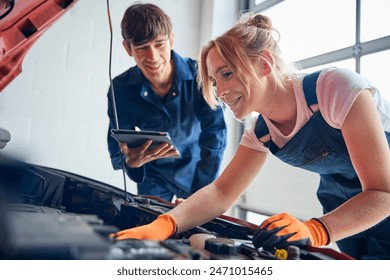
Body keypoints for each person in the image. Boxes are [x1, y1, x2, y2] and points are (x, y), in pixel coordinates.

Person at [110, 12, 390, 260]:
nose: (219, 92)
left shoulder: (333, 88)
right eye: (215, 81)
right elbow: (221, 192)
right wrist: (164, 224)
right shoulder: (261, 131)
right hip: (339, 197)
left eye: (227, 73)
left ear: (264, 64)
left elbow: (382, 191)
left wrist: (317, 229)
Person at [107, 3, 227, 202]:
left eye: (159, 44)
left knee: (195, 229)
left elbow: (216, 137)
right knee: (150, 226)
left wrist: (200, 195)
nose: (152, 57)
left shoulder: (201, 75)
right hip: (152, 177)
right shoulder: (120, 89)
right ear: (128, 48)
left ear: (171, 39)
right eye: (142, 47)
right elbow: (116, 146)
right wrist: (130, 162)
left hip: (197, 171)